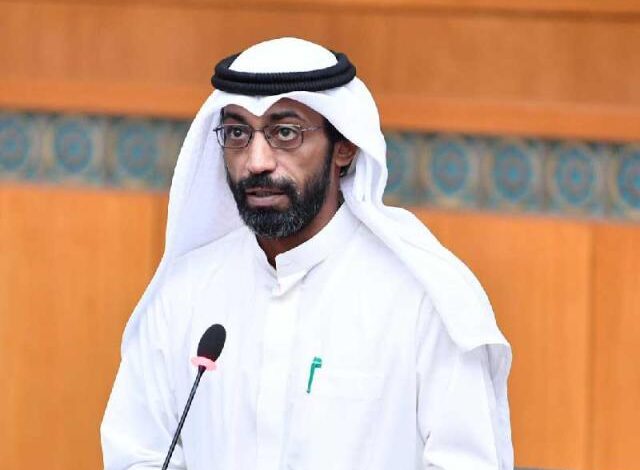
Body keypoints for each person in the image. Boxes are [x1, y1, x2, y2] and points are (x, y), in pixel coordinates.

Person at [101, 38, 513, 470]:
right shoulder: (184, 293)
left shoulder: (423, 301)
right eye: (238, 133)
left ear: (344, 146)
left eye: (285, 133)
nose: (257, 161)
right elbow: (137, 456)